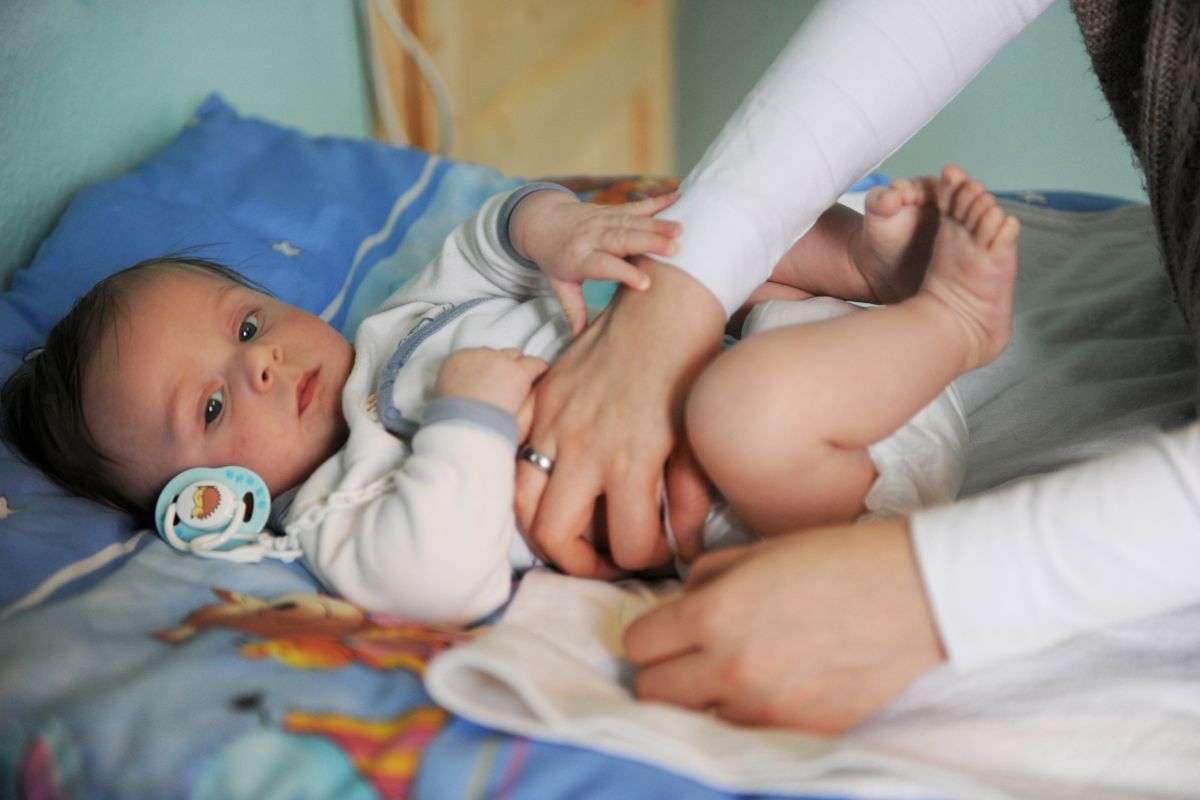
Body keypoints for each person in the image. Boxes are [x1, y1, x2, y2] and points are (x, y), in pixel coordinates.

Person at [512, 0, 1200, 733]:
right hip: (828, 458)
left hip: (801, 433)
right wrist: (681, 295)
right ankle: (897, 289)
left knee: (741, 392)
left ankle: (942, 316)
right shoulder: (374, 458)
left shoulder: (398, 395)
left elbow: (495, 241)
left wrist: (933, 593)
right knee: (744, 331)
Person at [2, 165, 1019, 624]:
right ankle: (954, 325)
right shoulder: (337, 512)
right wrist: (470, 415)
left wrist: (554, 232)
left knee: (677, 231)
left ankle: (863, 263)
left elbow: (484, 236)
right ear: (205, 503)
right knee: (734, 413)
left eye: (247, 322)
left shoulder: (397, 323)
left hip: (801, 337)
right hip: (814, 488)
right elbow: (439, 580)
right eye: (214, 408)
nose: (260, 364)